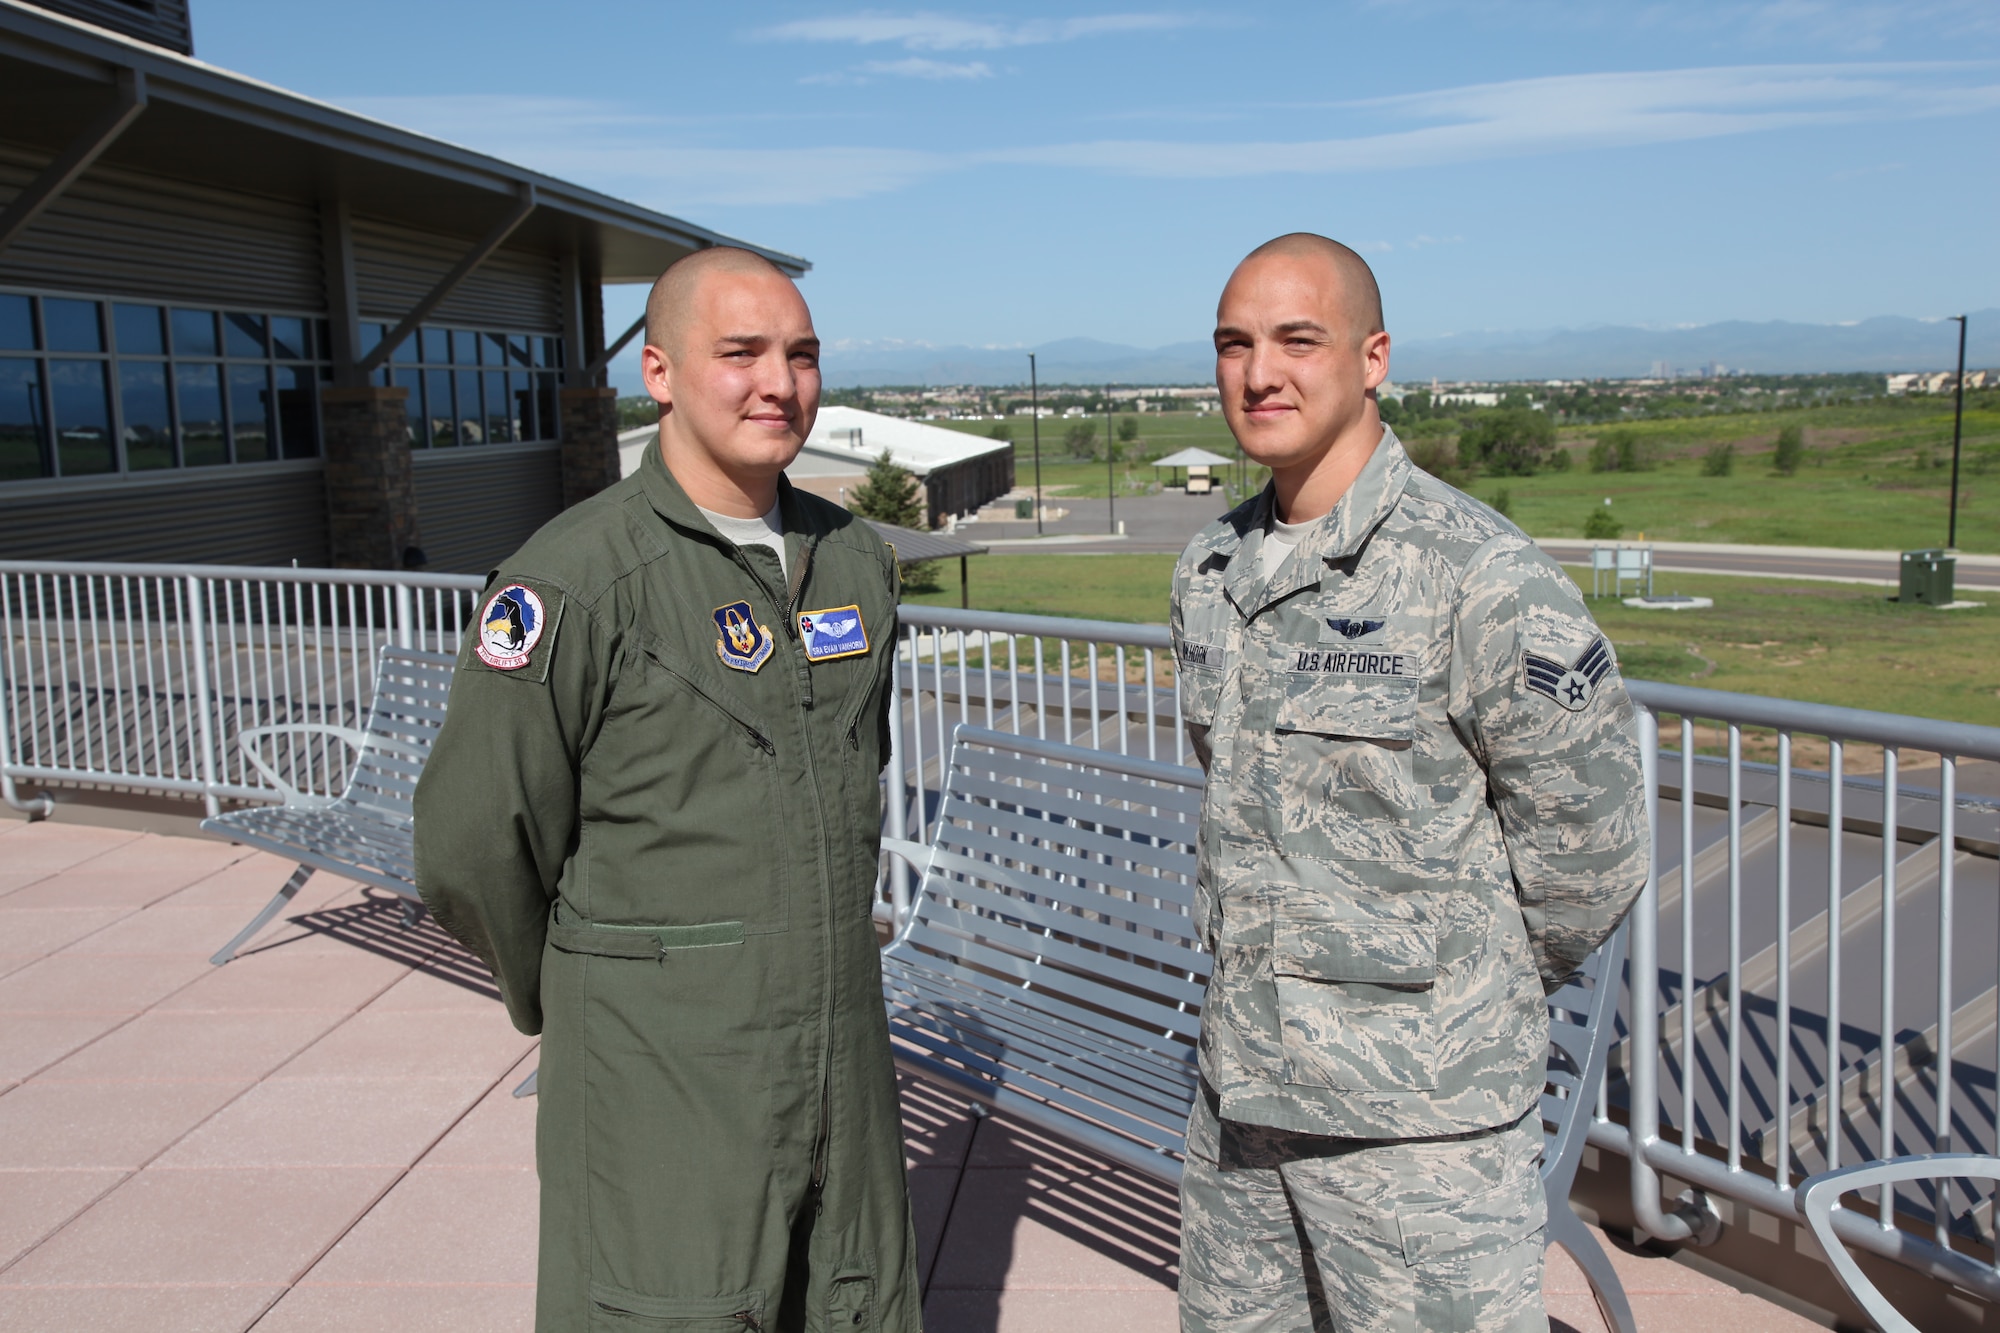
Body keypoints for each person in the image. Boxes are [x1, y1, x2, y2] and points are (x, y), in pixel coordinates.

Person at [414, 247, 919, 1332]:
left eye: (800, 355)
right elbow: (470, 845)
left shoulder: (851, 563)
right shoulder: (576, 581)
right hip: (662, 1069)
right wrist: (604, 993)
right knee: (668, 1306)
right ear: (657, 372)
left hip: (839, 1049)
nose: (776, 384)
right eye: (738, 353)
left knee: (850, 1301)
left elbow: (854, 774)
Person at [1170, 234, 1648, 1332]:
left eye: (1298, 339)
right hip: (1243, 1100)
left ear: (1372, 357)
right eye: (1233, 344)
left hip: (1415, 1130)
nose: (1259, 373)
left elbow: (1590, 845)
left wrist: (1451, 990)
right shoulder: (1210, 570)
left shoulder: (1473, 574)